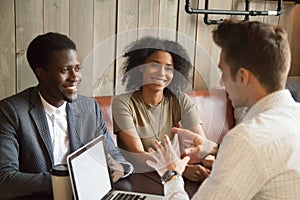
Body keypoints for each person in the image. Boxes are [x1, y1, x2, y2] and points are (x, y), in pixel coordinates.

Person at [146, 20, 300, 199]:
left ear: (242, 77)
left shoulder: (246, 139)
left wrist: (170, 175)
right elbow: (270, 159)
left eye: (223, 72)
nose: (221, 82)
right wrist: (216, 149)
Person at [0, 32, 133, 199]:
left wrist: (119, 167)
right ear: (40, 72)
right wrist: (69, 181)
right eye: (64, 70)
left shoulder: (89, 107)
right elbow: (4, 179)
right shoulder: (11, 111)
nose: (75, 77)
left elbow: (113, 154)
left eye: (77, 68)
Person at [112, 37, 211, 181]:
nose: (161, 73)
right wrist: (180, 169)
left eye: (169, 68)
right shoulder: (123, 103)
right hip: (139, 177)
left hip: (170, 175)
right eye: (154, 65)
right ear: (140, 66)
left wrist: (210, 160)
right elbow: (139, 156)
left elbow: (201, 143)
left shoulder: (180, 100)